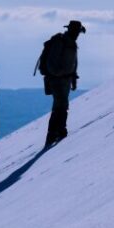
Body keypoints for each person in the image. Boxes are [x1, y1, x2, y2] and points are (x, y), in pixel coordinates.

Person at [41, 20, 85, 148]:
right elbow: (51, 63)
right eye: (76, 31)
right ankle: (55, 132)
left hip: (65, 80)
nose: (77, 34)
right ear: (71, 30)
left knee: (61, 105)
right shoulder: (60, 42)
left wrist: (73, 78)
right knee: (61, 105)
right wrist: (60, 74)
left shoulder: (71, 43)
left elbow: (73, 63)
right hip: (57, 80)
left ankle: (58, 131)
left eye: (78, 32)